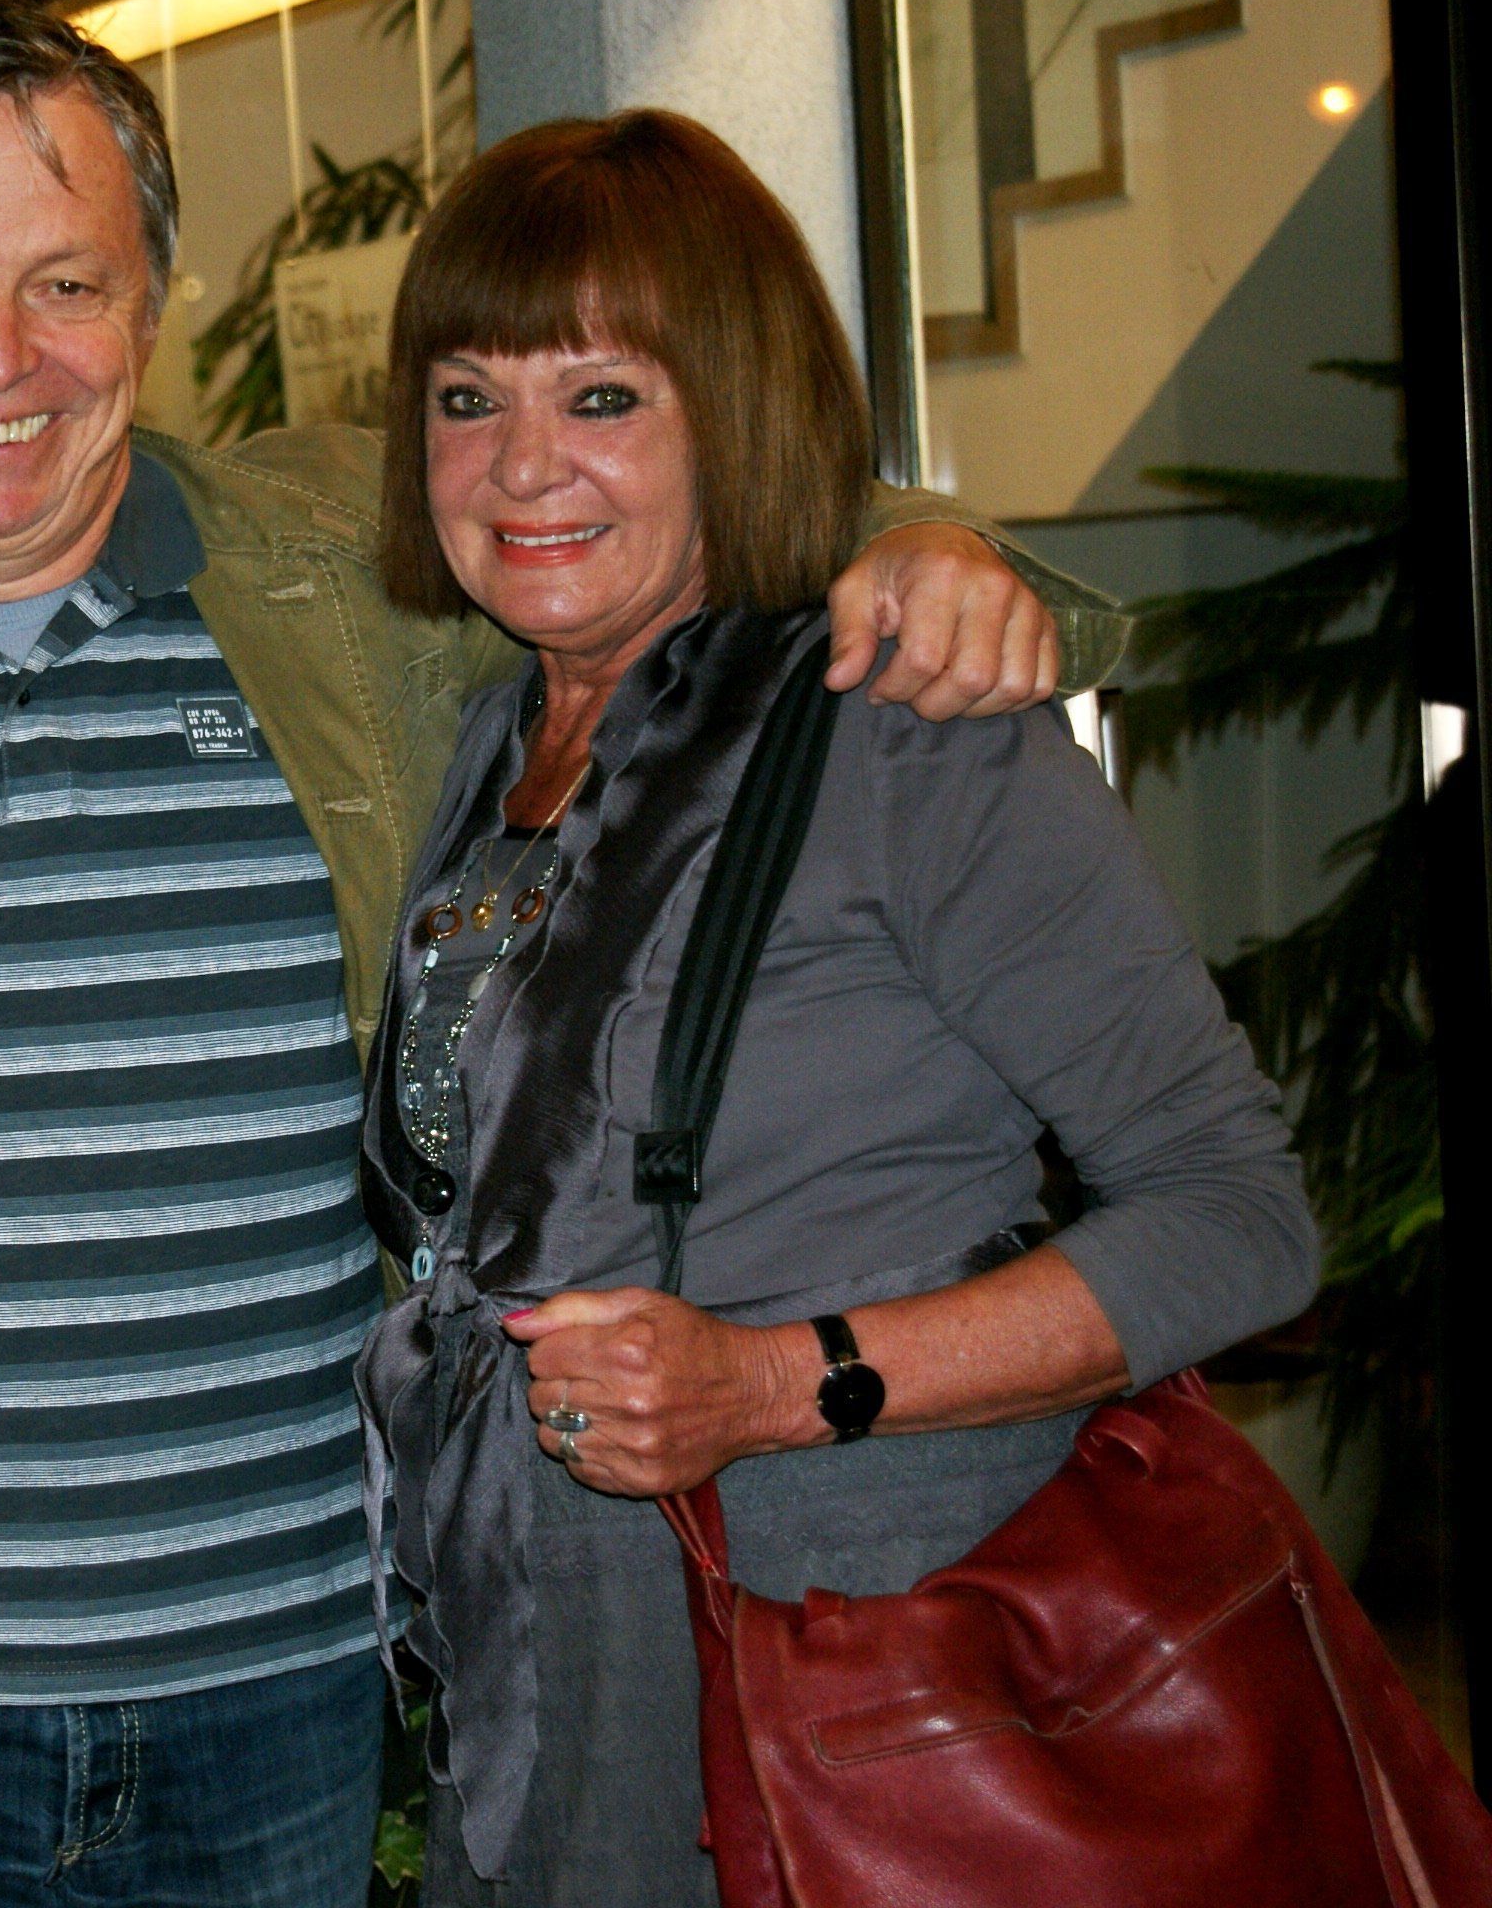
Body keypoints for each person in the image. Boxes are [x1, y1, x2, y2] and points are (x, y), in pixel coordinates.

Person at [0, 0, 1130, 1908]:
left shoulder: (336, 579)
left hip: (287, 1694)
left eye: (65, 282)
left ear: (151, 303)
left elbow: (655, 503)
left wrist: (936, 551)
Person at [350, 111, 1317, 1906]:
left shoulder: (902, 731)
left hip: (853, 1676)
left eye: (605, 397)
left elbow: (1238, 1217)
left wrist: (776, 1383)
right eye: (468, 400)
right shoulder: (494, 741)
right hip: (548, 1668)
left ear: (735, 409)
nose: (522, 465)